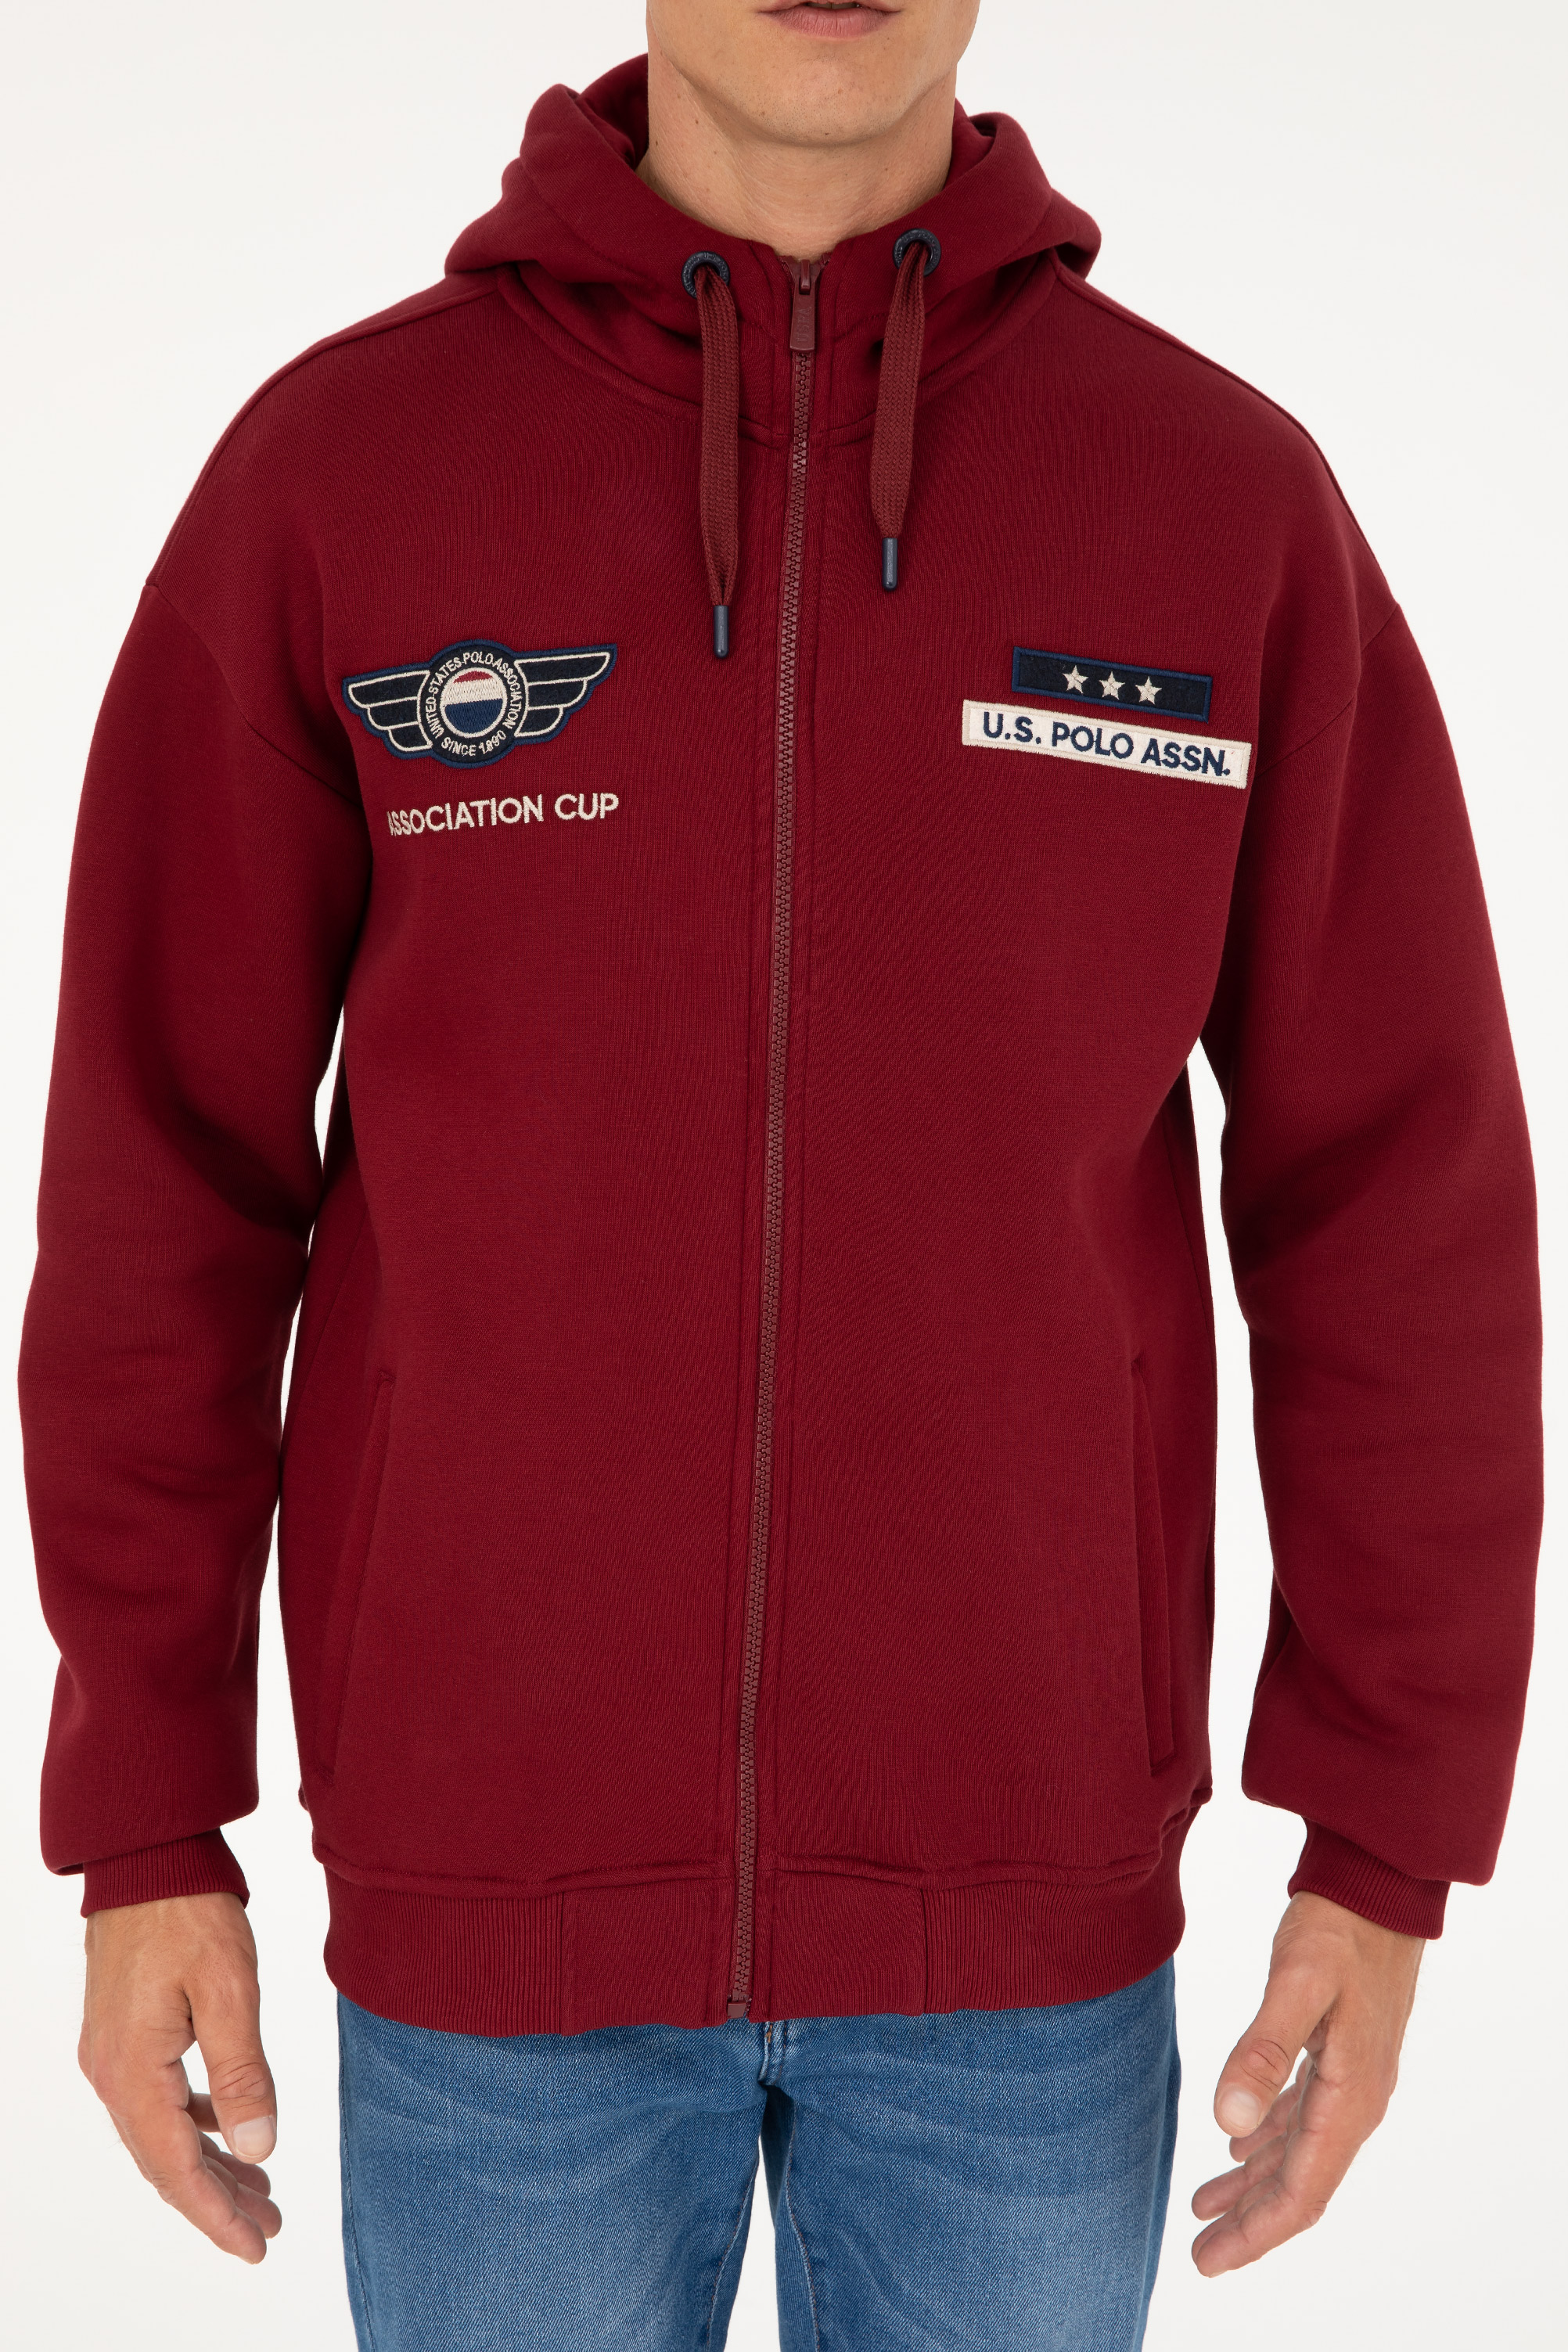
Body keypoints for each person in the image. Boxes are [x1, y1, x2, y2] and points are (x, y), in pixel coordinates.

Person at [21, 2, 1541, 2346]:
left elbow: (1398, 1205)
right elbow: (163, 1179)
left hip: (1022, 1939)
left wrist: (1385, 1835)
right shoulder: (344, 475)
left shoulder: (1213, 501)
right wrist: (147, 1814)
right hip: (491, 1923)